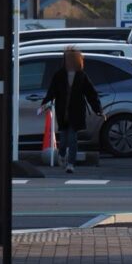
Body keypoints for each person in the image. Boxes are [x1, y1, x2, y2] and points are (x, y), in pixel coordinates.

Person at [39, 46, 104, 174]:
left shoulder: (81, 76)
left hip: (76, 111)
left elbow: (91, 94)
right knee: (63, 139)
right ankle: (62, 154)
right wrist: (45, 104)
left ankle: (71, 164)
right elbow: (52, 91)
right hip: (62, 111)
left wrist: (98, 109)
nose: (69, 62)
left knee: (73, 139)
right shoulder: (59, 75)